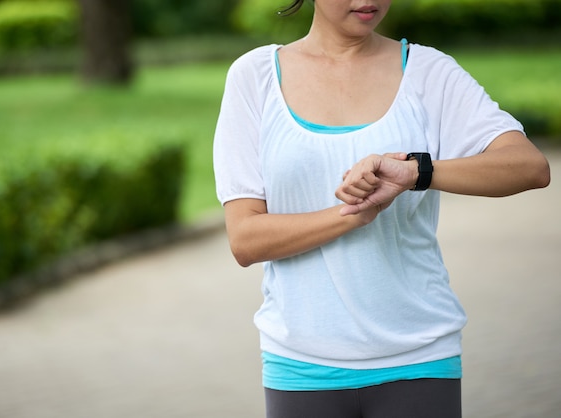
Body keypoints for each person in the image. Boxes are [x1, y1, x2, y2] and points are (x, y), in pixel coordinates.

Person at [212, 1, 551, 417]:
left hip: (420, 359)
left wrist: (416, 173)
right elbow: (245, 239)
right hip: (300, 366)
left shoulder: (428, 71)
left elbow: (529, 168)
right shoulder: (255, 77)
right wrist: (354, 214)